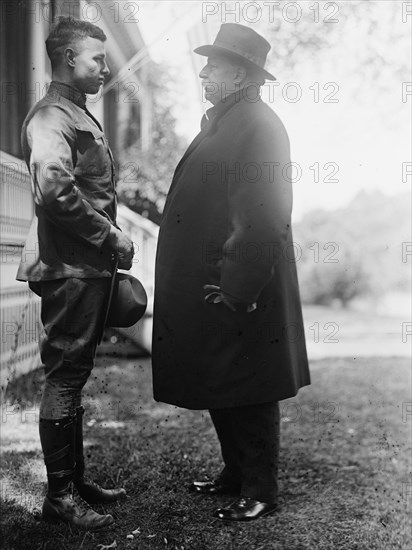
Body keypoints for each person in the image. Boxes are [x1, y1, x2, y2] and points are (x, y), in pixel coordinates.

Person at [152, 23, 310, 521]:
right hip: (214, 279)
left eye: (214, 65)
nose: (204, 72)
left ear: (241, 75)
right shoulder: (224, 122)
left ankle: (261, 488)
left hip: (243, 281)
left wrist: (240, 287)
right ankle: (235, 474)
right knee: (223, 376)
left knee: (252, 383)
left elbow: (262, 215)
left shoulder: (259, 125)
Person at [16, 17, 134, 530]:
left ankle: (74, 480)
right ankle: (60, 498)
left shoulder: (74, 113)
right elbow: (55, 192)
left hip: (84, 265)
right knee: (65, 377)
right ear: (68, 59)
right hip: (70, 267)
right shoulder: (51, 118)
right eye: (97, 59)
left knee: (75, 376)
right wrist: (111, 237)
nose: (105, 69)